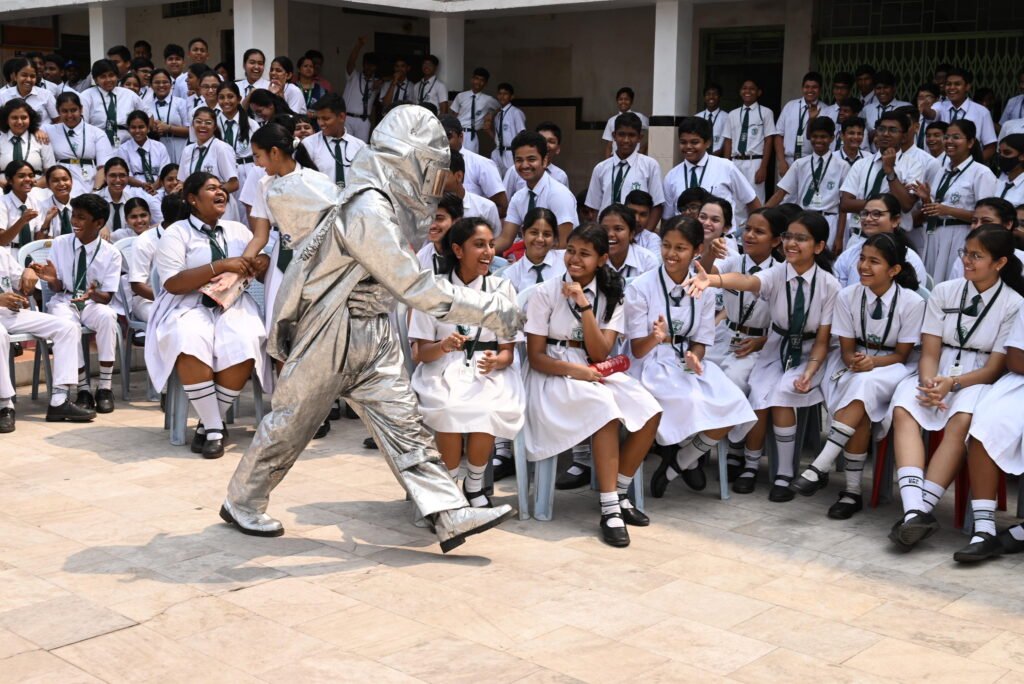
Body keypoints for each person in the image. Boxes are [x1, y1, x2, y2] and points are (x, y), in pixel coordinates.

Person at [222, 106, 523, 553]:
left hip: (373, 331)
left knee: (405, 423)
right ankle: (241, 499)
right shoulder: (367, 207)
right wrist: (491, 311)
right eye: (427, 168)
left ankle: (447, 511)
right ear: (406, 160)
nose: (430, 181)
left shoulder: (379, 203)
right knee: (293, 422)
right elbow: (412, 285)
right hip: (334, 328)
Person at [686, 211, 840, 500]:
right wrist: (715, 281)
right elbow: (746, 281)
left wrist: (809, 372)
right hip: (775, 348)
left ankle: (783, 474)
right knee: (758, 394)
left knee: (781, 394)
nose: (792, 243)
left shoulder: (830, 286)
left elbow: (822, 340)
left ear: (818, 247)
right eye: (789, 237)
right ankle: (751, 466)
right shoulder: (778, 273)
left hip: (809, 355)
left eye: (801, 239)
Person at [523, 223, 661, 546]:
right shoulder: (544, 293)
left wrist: (585, 305)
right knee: (604, 410)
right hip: (552, 375)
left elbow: (601, 351)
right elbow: (536, 358)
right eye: (571, 251)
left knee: (649, 409)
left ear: (601, 260)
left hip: (593, 368)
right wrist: (575, 371)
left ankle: (620, 490)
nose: (574, 259)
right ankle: (610, 509)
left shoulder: (612, 294)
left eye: (585, 254)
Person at [888, 225, 1024, 550]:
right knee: (905, 406)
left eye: (977, 256)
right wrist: (929, 382)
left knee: (962, 420)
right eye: (966, 253)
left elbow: (994, 368)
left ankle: (922, 508)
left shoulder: (1013, 303)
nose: (967, 260)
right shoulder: (946, 291)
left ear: (1000, 262)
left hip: (977, 379)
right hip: (937, 372)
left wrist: (953, 384)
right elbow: (930, 349)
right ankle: (912, 512)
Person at [792, 232, 925, 518]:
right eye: (862, 259)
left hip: (892, 367)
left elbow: (902, 355)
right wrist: (855, 360)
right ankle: (850, 493)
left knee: (864, 386)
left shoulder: (912, 303)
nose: (863, 266)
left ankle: (822, 467)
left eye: (874, 262)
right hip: (851, 365)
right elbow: (846, 348)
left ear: (894, 270)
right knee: (860, 404)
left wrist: (872, 363)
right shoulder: (847, 295)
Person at [628, 215, 756, 496]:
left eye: (680, 248)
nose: (671, 254)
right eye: (666, 245)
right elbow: (637, 349)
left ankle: (679, 462)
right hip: (651, 362)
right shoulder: (641, 286)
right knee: (692, 399)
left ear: (697, 250)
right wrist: (656, 337)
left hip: (685, 360)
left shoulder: (703, 287)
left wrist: (695, 357)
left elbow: (701, 340)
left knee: (734, 402)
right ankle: (682, 455)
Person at [144, 172, 267, 458]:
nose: (221, 192)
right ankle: (214, 427)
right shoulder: (177, 233)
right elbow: (172, 283)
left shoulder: (237, 230)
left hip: (233, 304)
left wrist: (259, 262)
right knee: (187, 338)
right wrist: (220, 265)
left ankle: (208, 423)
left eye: (221, 188)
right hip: (188, 303)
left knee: (245, 339)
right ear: (192, 199)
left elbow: (261, 260)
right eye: (211, 188)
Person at [409, 217, 525, 507]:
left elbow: (508, 351)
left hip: (488, 370)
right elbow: (420, 353)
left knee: (485, 407)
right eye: (479, 245)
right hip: (442, 367)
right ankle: (448, 488)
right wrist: (443, 346)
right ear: (458, 250)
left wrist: (498, 360)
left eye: (490, 245)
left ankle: (474, 486)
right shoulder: (434, 289)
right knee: (448, 407)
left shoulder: (502, 289)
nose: (488, 252)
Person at [704, 207, 784, 478]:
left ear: (776, 241)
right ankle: (695, 446)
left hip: (761, 341)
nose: (749, 235)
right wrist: (709, 252)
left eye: (759, 232)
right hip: (726, 335)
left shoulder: (781, 272)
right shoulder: (733, 262)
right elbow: (703, 275)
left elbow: (787, 323)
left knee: (733, 380)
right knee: (695, 374)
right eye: (747, 229)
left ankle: (734, 448)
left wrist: (762, 341)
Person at [30, 193, 121, 413]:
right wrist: (52, 280)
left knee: (108, 317)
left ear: (98, 223)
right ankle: (83, 388)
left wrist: (93, 294)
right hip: (65, 299)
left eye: (81, 218)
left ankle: (105, 388)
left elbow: (107, 297)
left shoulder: (112, 253)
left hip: (92, 303)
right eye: (74, 216)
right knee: (67, 326)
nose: (75, 222)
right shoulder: (61, 243)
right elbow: (57, 288)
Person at [0, 229, 95, 431]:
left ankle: (59, 400)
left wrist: (30, 272)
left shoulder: (2, 253)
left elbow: (23, 283)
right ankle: (4, 406)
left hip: (9, 313)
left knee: (67, 327)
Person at [913, 119, 997, 282]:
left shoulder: (981, 173)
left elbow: (988, 217)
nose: (949, 141)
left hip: (960, 234)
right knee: (930, 281)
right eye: (947, 137)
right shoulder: (943, 170)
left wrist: (948, 210)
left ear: (971, 142)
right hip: (934, 233)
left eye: (956, 137)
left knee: (952, 282)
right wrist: (926, 200)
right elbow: (936, 209)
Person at [839, 111, 924, 253]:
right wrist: (886, 205)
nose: (885, 134)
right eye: (881, 129)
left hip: (890, 240)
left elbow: (906, 205)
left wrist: (890, 171)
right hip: (859, 237)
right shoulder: (862, 164)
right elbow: (846, 203)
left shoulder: (913, 166)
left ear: (903, 136)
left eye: (893, 130)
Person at [769, 117, 849, 251]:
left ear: (832, 138)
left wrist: (839, 238)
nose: (818, 140)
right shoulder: (800, 164)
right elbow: (781, 193)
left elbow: (843, 205)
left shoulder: (842, 166)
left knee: (826, 261)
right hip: (804, 219)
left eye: (823, 137)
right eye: (815, 136)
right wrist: (762, 213)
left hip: (829, 220)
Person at [664, 116, 760, 225]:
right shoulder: (671, 176)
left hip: (721, 239)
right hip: (686, 238)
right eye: (683, 142)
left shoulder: (726, 167)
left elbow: (751, 200)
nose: (688, 147)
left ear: (708, 143)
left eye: (695, 142)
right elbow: (668, 218)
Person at [500, 130, 577, 252]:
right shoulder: (518, 197)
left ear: (544, 161)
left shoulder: (559, 194)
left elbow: (564, 245)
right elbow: (505, 239)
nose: (525, 165)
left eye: (531, 159)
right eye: (519, 160)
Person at [584, 113, 665, 228]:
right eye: (621, 134)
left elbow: (657, 206)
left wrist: (644, 235)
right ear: (614, 136)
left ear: (639, 138)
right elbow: (594, 207)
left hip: (637, 233)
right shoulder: (600, 168)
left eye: (631, 135)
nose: (626, 140)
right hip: (605, 232)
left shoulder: (650, 166)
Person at [834, 193, 928, 288]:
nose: (868, 219)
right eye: (865, 213)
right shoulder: (850, 254)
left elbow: (914, 298)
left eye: (876, 214)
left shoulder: (910, 258)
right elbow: (837, 291)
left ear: (895, 220)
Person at [440, 115, 508, 219]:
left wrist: (474, 224)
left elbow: (502, 207)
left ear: (461, 137)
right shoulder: (429, 163)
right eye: (438, 138)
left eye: (448, 137)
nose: (442, 143)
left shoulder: (481, 164)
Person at [179, 107, 239, 221]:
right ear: (192, 125)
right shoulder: (187, 150)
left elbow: (234, 184)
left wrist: (210, 195)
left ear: (215, 126)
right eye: (198, 122)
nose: (202, 126)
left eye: (208, 123)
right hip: (196, 208)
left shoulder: (222, 148)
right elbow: (182, 181)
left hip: (220, 207)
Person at [924, 68, 997, 161]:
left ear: (967, 87)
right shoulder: (939, 106)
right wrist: (924, 108)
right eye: (948, 84)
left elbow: (990, 146)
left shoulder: (982, 112)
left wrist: (973, 166)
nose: (952, 87)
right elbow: (931, 115)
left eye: (957, 84)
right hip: (940, 166)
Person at [723, 78, 777, 203]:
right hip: (736, 161)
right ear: (740, 91)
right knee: (735, 199)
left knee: (755, 198)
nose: (747, 91)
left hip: (755, 162)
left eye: (752, 89)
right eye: (744, 88)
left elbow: (769, 140)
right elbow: (728, 141)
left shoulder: (766, 112)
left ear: (759, 92)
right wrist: (726, 165)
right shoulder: (732, 114)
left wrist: (763, 167)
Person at [298, 93, 367, 188]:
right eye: (318, 118)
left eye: (326, 118)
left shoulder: (360, 146)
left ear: (342, 117)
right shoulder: (309, 144)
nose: (321, 123)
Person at [80, 59, 144, 150]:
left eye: (111, 75)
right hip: (98, 145)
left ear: (117, 77)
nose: (108, 80)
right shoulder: (86, 96)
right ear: (95, 80)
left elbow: (147, 116)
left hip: (128, 145)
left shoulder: (129, 95)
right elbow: (82, 125)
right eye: (103, 77)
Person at [500, 207, 566, 291]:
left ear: (554, 237)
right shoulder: (511, 275)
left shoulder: (566, 260)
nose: (540, 239)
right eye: (534, 233)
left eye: (547, 234)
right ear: (523, 233)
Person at [775, 71, 824, 177]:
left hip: (811, 161)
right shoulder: (790, 106)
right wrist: (781, 162)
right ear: (802, 88)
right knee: (785, 193)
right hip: (788, 161)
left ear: (820, 89)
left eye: (814, 87)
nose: (810, 90)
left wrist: (812, 120)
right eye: (807, 87)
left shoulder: (825, 110)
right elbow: (779, 135)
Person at [503, 121, 570, 196]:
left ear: (558, 149)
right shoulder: (515, 171)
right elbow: (505, 200)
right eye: (542, 140)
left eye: (551, 141)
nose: (546, 145)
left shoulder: (561, 176)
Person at [0, 160, 49, 254]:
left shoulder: (36, 203)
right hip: (8, 254)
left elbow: (39, 240)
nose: (28, 179)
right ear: (9, 180)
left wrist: (46, 222)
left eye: (31, 176)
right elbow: (1, 240)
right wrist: (22, 221)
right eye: (21, 176)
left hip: (32, 254)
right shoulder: (2, 203)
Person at [0, 98, 54, 180]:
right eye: (14, 118)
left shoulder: (41, 140)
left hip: (36, 187)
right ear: (7, 120)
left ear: (30, 119)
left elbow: (51, 172)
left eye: (24, 117)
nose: (19, 122)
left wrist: (36, 185)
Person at [600, 204, 659, 279]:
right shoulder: (594, 259)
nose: (610, 234)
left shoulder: (647, 261)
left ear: (631, 234)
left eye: (618, 229)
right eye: (605, 229)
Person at [450, 68, 499, 155]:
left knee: (471, 159)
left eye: (482, 80)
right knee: (455, 157)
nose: (478, 82)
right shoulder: (461, 96)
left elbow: (500, 108)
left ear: (486, 83)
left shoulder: (488, 100)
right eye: (476, 78)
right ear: (472, 79)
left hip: (472, 135)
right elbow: (454, 115)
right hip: (457, 132)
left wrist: (491, 114)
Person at [120, 109, 170, 195]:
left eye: (141, 127)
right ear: (128, 129)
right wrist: (143, 185)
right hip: (135, 190)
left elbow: (165, 172)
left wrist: (153, 187)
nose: (137, 131)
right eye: (133, 127)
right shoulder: (123, 149)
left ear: (148, 128)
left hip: (159, 190)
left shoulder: (159, 147)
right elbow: (126, 176)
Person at [342, 37, 379, 142]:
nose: (369, 68)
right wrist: (358, 45)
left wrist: (382, 80)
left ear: (376, 67)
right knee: (345, 145)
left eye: (372, 66)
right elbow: (350, 63)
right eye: (367, 64)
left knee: (361, 148)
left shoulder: (377, 82)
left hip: (364, 120)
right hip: (347, 118)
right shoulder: (353, 76)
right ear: (363, 64)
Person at [0, 58, 58, 124]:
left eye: (32, 76)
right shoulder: (3, 95)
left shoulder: (46, 95)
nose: (28, 79)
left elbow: (58, 120)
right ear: (15, 76)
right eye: (24, 75)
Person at [864, 70, 911, 149]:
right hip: (872, 156)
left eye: (886, 87)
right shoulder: (867, 109)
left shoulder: (906, 107)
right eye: (878, 88)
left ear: (893, 88)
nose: (882, 91)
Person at [418, 192, 463, 274]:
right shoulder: (421, 257)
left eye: (439, 219)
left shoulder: (470, 253)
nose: (432, 225)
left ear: (457, 221)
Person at [601, 87, 649, 159]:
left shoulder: (639, 117)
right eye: (620, 99)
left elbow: (654, 132)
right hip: (616, 158)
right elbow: (609, 146)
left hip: (635, 159)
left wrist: (643, 149)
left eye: (626, 99)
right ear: (617, 101)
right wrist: (608, 162)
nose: (623, 102)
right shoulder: (611, 120)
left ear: (631, 101)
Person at [488, 83, 525, 177]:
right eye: (500, 93)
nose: (502, 96)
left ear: (511, 96)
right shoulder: (498, 115)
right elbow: (498, 137)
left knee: (512, 178)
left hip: (510, 152)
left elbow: (522, 134)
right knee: (497, 180)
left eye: (505, 94)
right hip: (498, 151)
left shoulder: (516, 112)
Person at [695, 82, 731, 155]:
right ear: (704, 97)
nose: (711, 97)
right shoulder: (697, 117)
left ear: (720, 97)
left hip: (719, 157)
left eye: (715, 94)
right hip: (700, 156)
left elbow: (728, 140)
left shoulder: (727, 117)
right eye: (708, 94)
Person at [624, 189, 661, 255]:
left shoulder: (652, 240)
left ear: (649, 217)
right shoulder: (612, 234)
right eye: (632, 212)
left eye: (643, 215)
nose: (637, 219)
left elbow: (654, 264)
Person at [995, 134, 1024, 207]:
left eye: (1007, 153)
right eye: (999, 152)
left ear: (1022, 156)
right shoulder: (997, 178)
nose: (1001, 156)